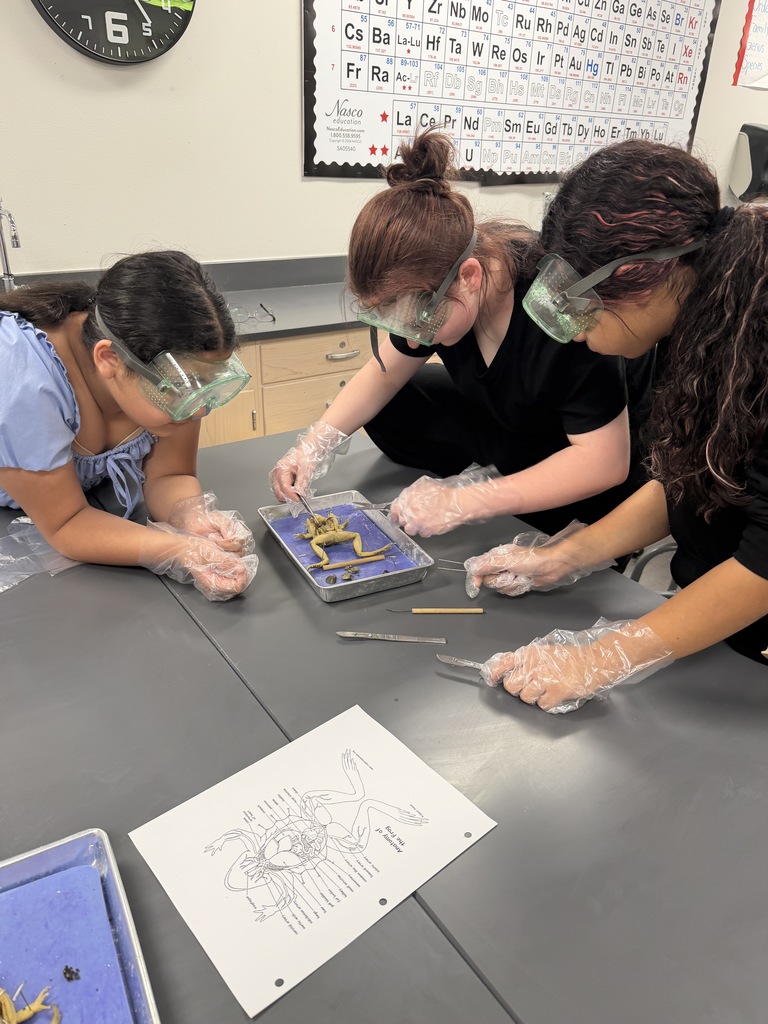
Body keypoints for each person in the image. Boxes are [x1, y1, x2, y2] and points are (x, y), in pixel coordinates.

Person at [466, 138, 768, 712]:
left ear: (639, 276)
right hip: (712, 624)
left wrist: (599, 657)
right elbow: (692, 477)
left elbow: (765, 564)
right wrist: (566, 555)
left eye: (579, 303)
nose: (572, 329)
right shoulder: (697, 325)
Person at [270, 129, 654, 541]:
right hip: (514, 429)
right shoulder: (436, 285)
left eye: (420, 321)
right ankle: (497, 475)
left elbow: (605, 462)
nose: (414, 342)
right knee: (395, 397)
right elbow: (384, 373)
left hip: (583, 453)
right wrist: (313, 445)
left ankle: (515, 487)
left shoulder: (558, 310)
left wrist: (468, 500)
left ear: (469, 277)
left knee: (553, 511)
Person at [0, 250, 259, 601]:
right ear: (109, 359)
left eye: (207, 385)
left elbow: (168, 476)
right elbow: (66, 523)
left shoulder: (168, 372)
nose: (198, 411)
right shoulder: (23, 381)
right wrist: (177, 551)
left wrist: (191, 516)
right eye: (183, 390)